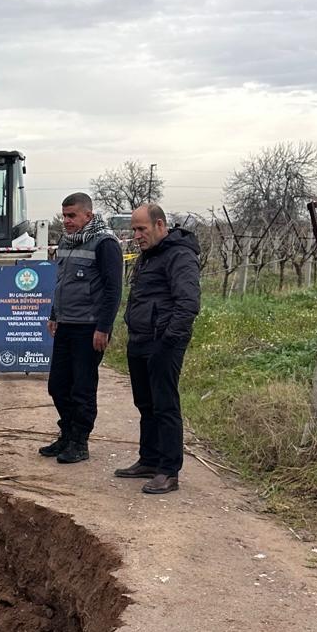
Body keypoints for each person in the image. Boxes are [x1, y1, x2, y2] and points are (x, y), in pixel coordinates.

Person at [118, 203, 201, 495]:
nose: (137, 235)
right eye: (134, 230)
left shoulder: (180, 255)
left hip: (163, 342)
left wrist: (168, 341)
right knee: (145, 404)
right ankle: (149, 459)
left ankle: (168, 470)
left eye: (142, 229)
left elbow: (188, 303)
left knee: (165, 405)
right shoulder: (146, 256)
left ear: (160, 226)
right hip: (140, 339)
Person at [40, 191, 122, 464]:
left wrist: (104, 327)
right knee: (58, 385)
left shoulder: (105, 243)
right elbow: (61, 283)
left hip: (89, 328)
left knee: (82, 387)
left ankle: (79, 441)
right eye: (64, 215)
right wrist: (54, 314)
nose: (66, 220)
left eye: (72, 215)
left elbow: (113, 290)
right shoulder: (66, 242)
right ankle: (67, 433)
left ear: (88, 215)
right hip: (65, 324)